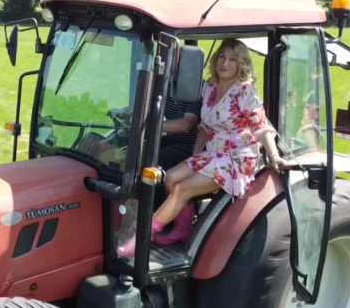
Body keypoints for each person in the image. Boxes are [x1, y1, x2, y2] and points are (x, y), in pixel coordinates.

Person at [117, 39, 287, 258]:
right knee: (169, 178)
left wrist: (274, 156)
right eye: (222, 57)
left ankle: (140, 239)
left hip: (235, 159)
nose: (225, 63)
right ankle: (182, 230)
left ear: (241, 65)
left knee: (181, 189)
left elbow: (262, 127)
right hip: (212, 154)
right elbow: (205, 128)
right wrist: (195, 157)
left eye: (232, 59)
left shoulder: (245, 92)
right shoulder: (210, 87)